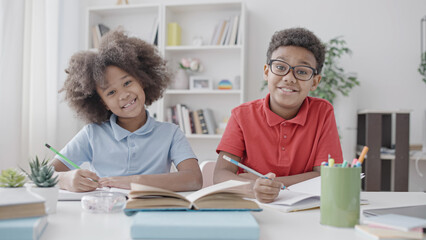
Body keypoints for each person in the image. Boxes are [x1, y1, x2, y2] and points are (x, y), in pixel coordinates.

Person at [52, 29, 202, 192]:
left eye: (127, 83)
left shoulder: (171, 133)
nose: (123, 95)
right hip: (106, 212)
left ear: (142, 80)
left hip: (153, 212)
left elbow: (194, 179)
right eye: (111, 92)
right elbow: (45, 174)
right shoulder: (92, 134)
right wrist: (65, 179)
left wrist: (133, 181)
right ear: (103, 103)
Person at [213, 28, 343, 203]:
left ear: (315, 81)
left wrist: (271, 184)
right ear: (267, 72)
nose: (289, 78)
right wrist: (253, 187)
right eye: (280, 67)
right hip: (254, 205)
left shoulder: (323, 112)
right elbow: (220, 174)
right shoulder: (241, 115)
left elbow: (326, 176)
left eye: (302, 71)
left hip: (305, 208)